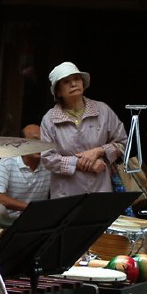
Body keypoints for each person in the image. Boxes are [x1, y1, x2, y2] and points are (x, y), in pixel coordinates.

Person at [41, 61, 127, 198]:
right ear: (58, 91)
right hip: (66, 194)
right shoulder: (49, 119)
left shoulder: (103, 110)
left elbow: (123, 143)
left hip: (100, 190)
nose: (74, 84)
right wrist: (81, 163)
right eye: (66, 82)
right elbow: (47, 158)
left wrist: (99, 151)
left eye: (76, 79)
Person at [0, 124, 51, 240]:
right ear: (22, 143)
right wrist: (28, 207)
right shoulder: (8, 161)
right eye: (35, 140)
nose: (39, 145)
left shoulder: (49, 164)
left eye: (42, 140)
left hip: (35, 217)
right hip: (9, 217)